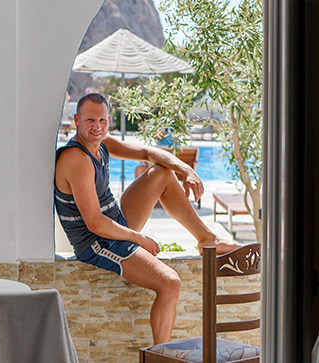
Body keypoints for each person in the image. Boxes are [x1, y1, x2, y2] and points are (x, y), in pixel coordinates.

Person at [54, 93, 243, 344]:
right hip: (97, 242)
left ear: (108, 120)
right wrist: (139, 239)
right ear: (76, 120)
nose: (96, 127)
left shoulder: (101, 144)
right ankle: (161, 356)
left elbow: (146, 152)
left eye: (102, 120)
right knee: (170, 283)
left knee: (162, 173)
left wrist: (185, 169)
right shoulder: (76, 159)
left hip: (116, 223)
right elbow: (95, 223)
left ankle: (206, 237)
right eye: (90, 120)